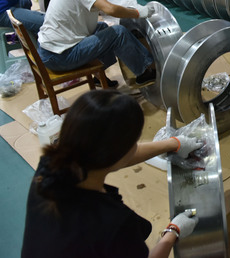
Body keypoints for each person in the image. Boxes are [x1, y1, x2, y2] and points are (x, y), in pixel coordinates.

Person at [21, 90, 202, 258]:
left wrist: (173, 143)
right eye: (134, 142)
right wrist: (173, 233)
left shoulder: (49, 168)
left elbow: (121, 155)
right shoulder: (112, 224)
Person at [37, 0, 157, 89]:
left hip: (51, 50)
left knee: (102, 28)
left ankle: (99, 76)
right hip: (60, 56)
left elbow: (100, 7)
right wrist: (138, 12)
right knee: (118, 33)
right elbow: (110, 9)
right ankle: (144, 72)